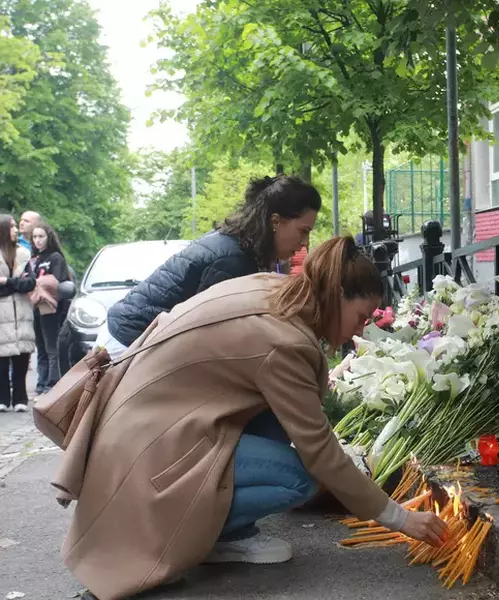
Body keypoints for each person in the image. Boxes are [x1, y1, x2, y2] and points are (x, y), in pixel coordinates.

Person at [56, 237, 447, 600]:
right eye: (361, 315)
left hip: (142, 429)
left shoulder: (274, 289)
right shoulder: (286, 342)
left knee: (284, 430)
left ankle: (223, 529)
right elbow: (320, 451)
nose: (362, 327)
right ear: (338, 294)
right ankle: (206, 537)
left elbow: (298, 411)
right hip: (146, 452)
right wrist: (399, 518)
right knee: (301, 477)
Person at [103, 174, 321, 359]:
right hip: (128, 342)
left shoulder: (239, 247)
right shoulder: (232, 261)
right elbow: (213, 338)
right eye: (303, 231)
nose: (305, 243)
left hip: (136, 337)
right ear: (275, 221)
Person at [0, 215, 37, 412]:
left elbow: (30, 283)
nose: (16, 229)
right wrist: (17, 284)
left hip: (22, 313)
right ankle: (3, 398)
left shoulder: (23, 254)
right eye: (12, 226)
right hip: (2, 316)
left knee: (22, 357)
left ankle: (20, 398)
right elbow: (21, 284)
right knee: (2, 360)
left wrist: (6, 282)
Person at [31, 222, 70, 393]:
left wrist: (37, 283)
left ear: (49, 237)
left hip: (52, 309)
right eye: (35, 237)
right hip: (35, 307)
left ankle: (52, 383)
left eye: (41, 236)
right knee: (40, 347)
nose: (37, 240)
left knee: (51, 347)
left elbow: (57, 282)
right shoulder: (35, 259)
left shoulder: (55, 258)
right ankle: (41, 383)